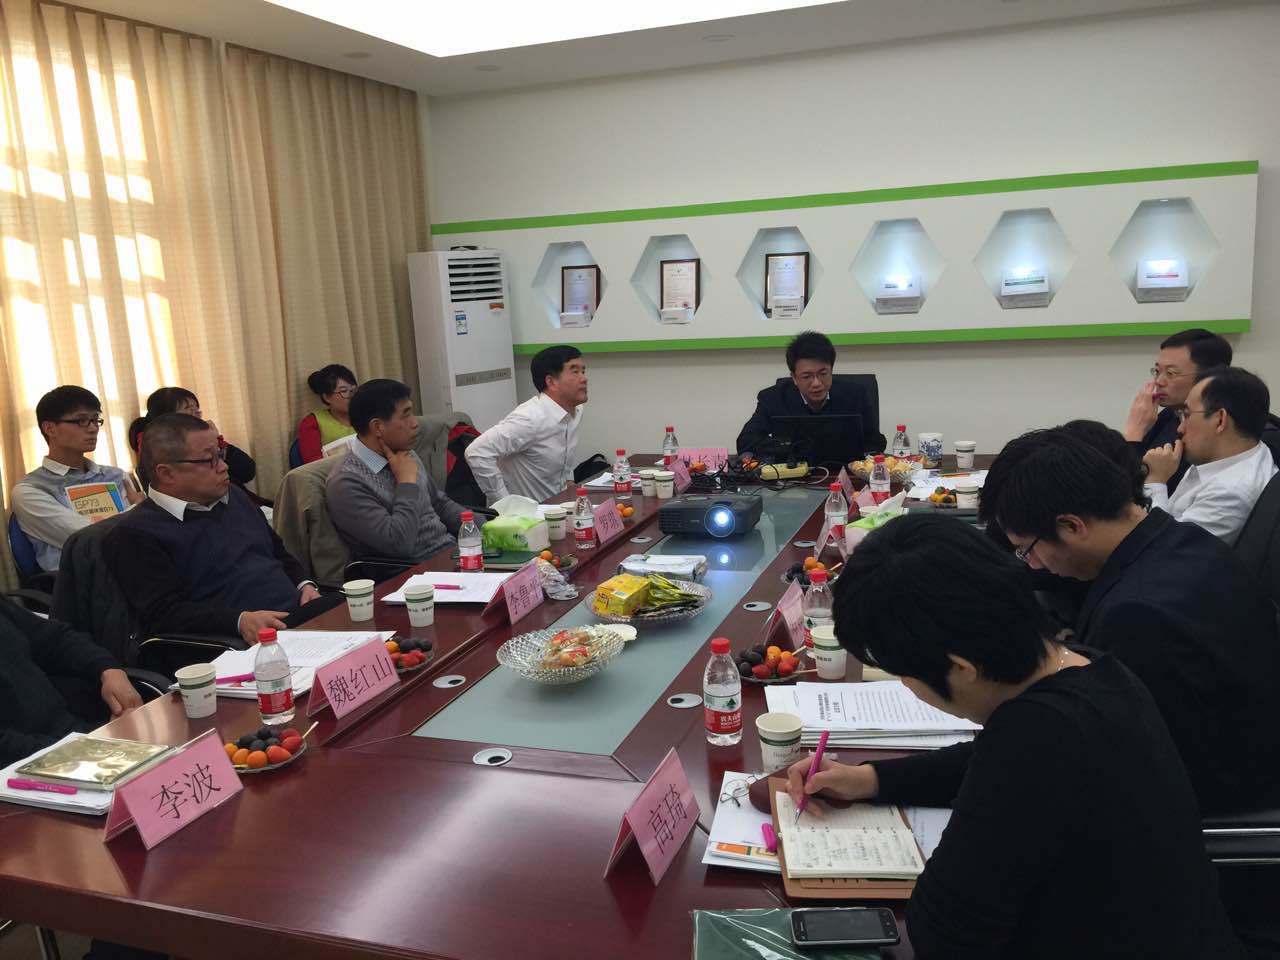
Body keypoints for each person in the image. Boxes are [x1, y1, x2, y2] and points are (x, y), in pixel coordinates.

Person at [785, 514, 1240, 960]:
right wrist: (870, 779)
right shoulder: (1090, 669)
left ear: (960, 668)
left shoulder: (1039, 738)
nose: (907, 686)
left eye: (904, 673)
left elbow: (943, 933)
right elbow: (983, 759)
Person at [978, 428, 1280, 814]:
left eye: (1027, 550)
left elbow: (1120, 762)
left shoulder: (1136, 615)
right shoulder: (1183, 540)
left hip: (1210, 812)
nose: (1033, 566)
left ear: (1071, 526)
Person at [105, 414, 329, 646]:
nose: (224, 466)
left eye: (220, 455)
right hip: (240, 643)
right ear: (167, 473)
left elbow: (278, 553)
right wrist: (239, 621)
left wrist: (305, 585)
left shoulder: (234, 497)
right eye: (208, 460)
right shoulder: (136, 533)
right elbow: (164, 614)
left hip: (301, 617)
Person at [326, 379, 473, 563]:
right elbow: (398, 544)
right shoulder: (346, 483)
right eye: (406, 415)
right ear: (377, 427)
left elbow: (439, 503)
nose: (415, 423)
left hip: (451, 555)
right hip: (412, 572)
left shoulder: (403, 452)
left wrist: (482, 529)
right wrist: (406, 483)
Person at [11, 386, 144, 573]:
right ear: (49, 428)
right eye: (82, 421)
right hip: (81, 582)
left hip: (135, 568)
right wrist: (139, 509)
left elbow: (141, 534)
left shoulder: (115, 475)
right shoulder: (29, 490)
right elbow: (88, 539)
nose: (93, 429)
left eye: (95, 420)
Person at [1142, 367, 1276, 546]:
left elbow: (1163, 552)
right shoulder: (1234, 451)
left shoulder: (1229, 493)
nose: (1180, 428)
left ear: (1220, 420)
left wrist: (1156, 481)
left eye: (1187, 415)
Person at [0, 598, 142, 767]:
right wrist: (90, 748)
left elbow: (53, 638)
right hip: (35, 763)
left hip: (74, 737)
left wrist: (108, 670)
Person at [735, 330, 885, 462]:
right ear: (794, 377)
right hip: (791, 476)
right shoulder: (773, 398)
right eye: (807, 376)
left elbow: (875, 441)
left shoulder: (855, 395)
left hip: (844, 475)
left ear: (831, 370)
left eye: (823, 374)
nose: (816, 383)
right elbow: (746, 440)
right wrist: (787, 447)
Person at [464, 345, 586, 504]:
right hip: (528, 515)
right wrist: (505, 505)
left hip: (559, 507)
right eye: (575, 371)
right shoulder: (530, 418)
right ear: (551, 382)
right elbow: (476, 452)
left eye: (583, 371)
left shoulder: (576, 410)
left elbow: (565, 458)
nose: (584, 378)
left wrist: (569, 486)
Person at [1122, 328, 1232, 493]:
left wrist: (1133, 433)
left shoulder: (1213, 433)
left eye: (1171, 373)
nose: (1159, 381)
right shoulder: (1170, 414)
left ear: (1208, 378)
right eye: (1157, 371)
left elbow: (1128, 492)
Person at [128, 387, 256, 488]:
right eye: (190, 411)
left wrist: (216, 441)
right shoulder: (157, 450)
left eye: (197, 411)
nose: (197, 417)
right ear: (166, 418)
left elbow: (248, 471)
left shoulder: (206, 440)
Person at [296, 364, 357, 463]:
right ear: (327, 397)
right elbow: (314, 464)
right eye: (344, 391)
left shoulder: (367, 415)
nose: (351, 396)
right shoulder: (312, 422)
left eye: (353, 390)